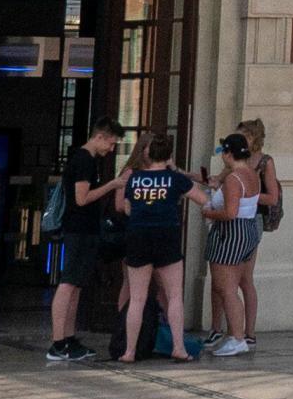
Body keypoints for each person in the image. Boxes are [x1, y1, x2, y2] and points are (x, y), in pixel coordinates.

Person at [115, 130, 197, 363]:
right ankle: (179, 347)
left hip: (138, 236)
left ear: (147, 153)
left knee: (137, 298)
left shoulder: (134, 178)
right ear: (168, 155)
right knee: (174, 296)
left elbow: (127, 208)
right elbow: (202, 199)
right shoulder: (176, 179)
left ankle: (129, 351)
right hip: (167, 236)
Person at [45, 120, 123, 364]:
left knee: (76, 284)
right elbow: (81, 198)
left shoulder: (87, 160)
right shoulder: (84, 161)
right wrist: (112, 185)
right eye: (110, 143)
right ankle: (58, 342)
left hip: (85, 230)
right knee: (68, 283)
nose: (110, 149)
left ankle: (69, 337)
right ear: (99, 137)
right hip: (78, 229)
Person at [198, 132, 260, 357]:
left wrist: (209, 212)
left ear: (228, 153)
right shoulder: (252, 174)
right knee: (234, 287)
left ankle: (237, 337)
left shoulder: (234, 178)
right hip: (248, 231)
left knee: (227, 289)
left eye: (222, 151)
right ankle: (238, 335)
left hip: (230, 234)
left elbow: (230, 213)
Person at [234, 116, 283, 342]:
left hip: (253, 219)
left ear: (253, 138)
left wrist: (248, 195)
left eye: (243, 134)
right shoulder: (238, 158)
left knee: (245, 278)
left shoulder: (265, 162)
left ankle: (249, 331)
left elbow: (272, 197)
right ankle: (233, 329)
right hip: (235, 218)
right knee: (231, 278)